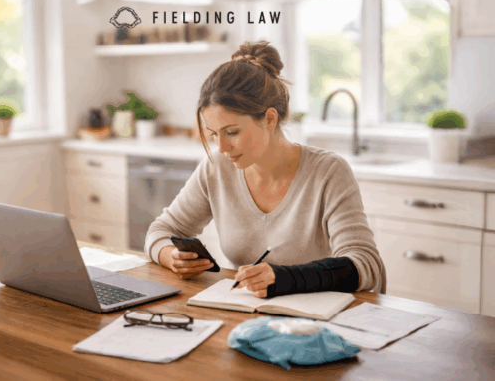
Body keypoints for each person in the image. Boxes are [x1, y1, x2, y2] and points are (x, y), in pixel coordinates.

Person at [144, 40, 385, 298]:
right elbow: (160, 232)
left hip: (315, 324)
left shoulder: (328, 171)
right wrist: (172, 257)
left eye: (232, 132)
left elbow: (366, 264)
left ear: (269, 119)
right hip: (247, 316)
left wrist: (284, 278)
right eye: (214, 134)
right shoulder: (217, 168)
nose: (222, 147)